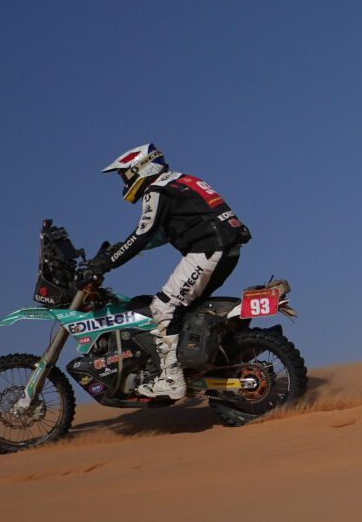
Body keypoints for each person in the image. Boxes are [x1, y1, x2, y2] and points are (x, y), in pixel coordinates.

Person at [78, 144, 252, 400]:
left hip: (208, 249)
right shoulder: (181, 180)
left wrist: (107, 262)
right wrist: (119, 250)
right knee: (184, 309)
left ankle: (171, 379)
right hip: (226, 249)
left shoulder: (156, 189)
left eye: (125, 175)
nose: (124, 182)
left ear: (140, 168)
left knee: (163, 306)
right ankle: (199, 364)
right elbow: (163, 233)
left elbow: (143, 233)